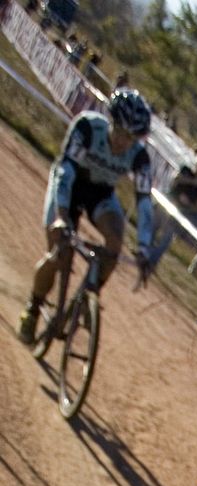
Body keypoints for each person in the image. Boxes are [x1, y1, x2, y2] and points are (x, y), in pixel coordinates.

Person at [17, 87, 154, 346]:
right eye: (122, 133)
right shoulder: (88, 128)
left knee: (115, 242)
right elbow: (65, 172)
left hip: (100, 193)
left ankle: (89, 297)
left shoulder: (140, 156)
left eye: (132, 138)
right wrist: (61, 216)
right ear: (111, 122)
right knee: (60, 254)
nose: (125, 142)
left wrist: (145, 247)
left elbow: (145, 202)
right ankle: (32, 309)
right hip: (69, 184)